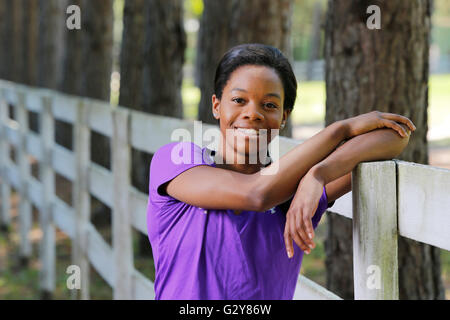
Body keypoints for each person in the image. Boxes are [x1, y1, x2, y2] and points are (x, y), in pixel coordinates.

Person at [146, 43, 415, 300]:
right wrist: (340, 130)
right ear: (217, 105)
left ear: (284, 117)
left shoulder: (294, 190)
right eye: (239, 100)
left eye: (270, 105)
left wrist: (318, 174)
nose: (253, 114)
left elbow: (394, 136)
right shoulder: (176, 160)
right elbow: (255, 194)